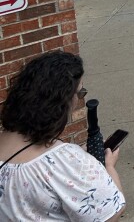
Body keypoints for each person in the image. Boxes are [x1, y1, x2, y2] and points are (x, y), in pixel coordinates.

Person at [0, 52, 126, 221]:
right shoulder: (68, 163)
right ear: (63, 99)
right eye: (79, 93)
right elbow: (110, 213)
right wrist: (109, 167)